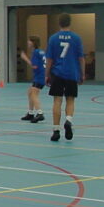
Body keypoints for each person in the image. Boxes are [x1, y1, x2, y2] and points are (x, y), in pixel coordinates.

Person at [46, 14, 84, 142]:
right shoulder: (76, 38)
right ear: (70, 23)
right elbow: (81, 58)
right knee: (70, 99)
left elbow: (49, 59)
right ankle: (68, 120)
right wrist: (82, 73)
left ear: (59, 23)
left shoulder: (53, 39)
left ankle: (56, 130)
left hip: (57, 73)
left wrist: (47, 74)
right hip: (72, 73)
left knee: (57, 100)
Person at [19, 36, 46, 123]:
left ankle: (40, 113)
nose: (28, 42)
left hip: (39, 76)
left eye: (29, 41)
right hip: (41, 75)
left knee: (34, 94)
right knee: (30, 92)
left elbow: (34, 66)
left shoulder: (35, 52)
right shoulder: (41, 51)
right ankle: (30, 113)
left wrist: (25, 58)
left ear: (33, 42)